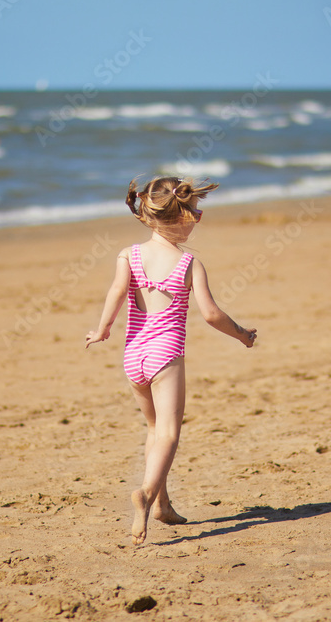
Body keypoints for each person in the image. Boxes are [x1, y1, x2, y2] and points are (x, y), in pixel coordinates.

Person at [85, 176, 257, 545]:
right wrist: (242, 334)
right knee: (169, 432)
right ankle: (146, 494)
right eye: (195, 210)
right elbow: (211, 315)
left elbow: (116, 292)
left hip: (134, 356)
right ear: (180, 218)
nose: (199, 215)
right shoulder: (189, 263)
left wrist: (102, 329)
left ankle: (163, 505)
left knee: (153, 429)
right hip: (166, 355)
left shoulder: (128, 255)